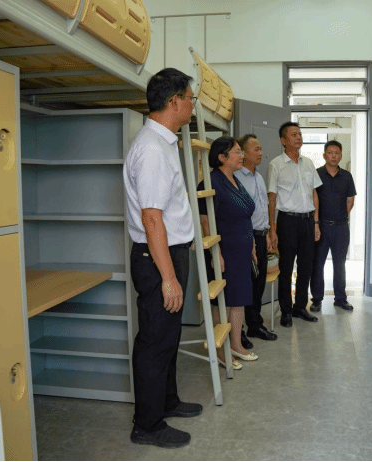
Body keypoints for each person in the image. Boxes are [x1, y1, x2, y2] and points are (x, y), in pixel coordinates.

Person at [122, 68, 202, 449]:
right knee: (155, 340)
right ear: (174, 102)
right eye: (190, 98)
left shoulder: (164, 142)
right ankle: (147, 425)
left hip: (169, 252)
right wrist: (168, 277)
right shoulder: (152, 149)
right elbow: (151, 219)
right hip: (158, 258)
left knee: (168, 336)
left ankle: (167, 401)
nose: (192, 105)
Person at [199, 136, 260, 368]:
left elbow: (245, 215)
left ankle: (235, 345)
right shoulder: (211, 182)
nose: (242, 155)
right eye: (237, 152)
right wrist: (217, 254)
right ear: (222, 157)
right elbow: (205, 221)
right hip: (225, 251)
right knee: (223, 301)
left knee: (239, 299)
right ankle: (221, 350)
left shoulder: (234, 179)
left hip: (242, 249)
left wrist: (252, 244)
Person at [268, 122, 323, 327]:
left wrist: (316, 222)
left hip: (307, 221)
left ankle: (300, 307)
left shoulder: (308, 163)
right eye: (293, 135)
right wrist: (273, 229)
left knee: (306, 267)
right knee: (286, 267)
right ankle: (286, 310)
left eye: (300, 134)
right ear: (283, 141)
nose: (299, 137)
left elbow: (314, 194)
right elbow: (272, 199)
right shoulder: (276, 165)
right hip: (287, 221)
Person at [234, 134, 278, 342]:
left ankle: (255, 325)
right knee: (243, 284)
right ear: (243, 153)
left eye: (261, 149)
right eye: (256, 149)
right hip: (244, 238)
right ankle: (238, 331)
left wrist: (268, 233)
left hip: (260, 236)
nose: (261, 153)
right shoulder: (236, 178)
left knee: (258, 283)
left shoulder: (259, 176)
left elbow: (263, 207)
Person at [310, 140, 357, 312]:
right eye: (330, 153)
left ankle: (340, 298)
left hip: (341, 228)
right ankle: (316, 299)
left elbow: (350, 201)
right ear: (324, 155)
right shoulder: (317, 174)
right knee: (318, 264)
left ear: (341, 156)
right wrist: (317, 223)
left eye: (337, 153)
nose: (333, 156)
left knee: (340, 264)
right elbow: (312, 199)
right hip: (321, 226)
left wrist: (339, 216)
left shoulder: (347, 176)